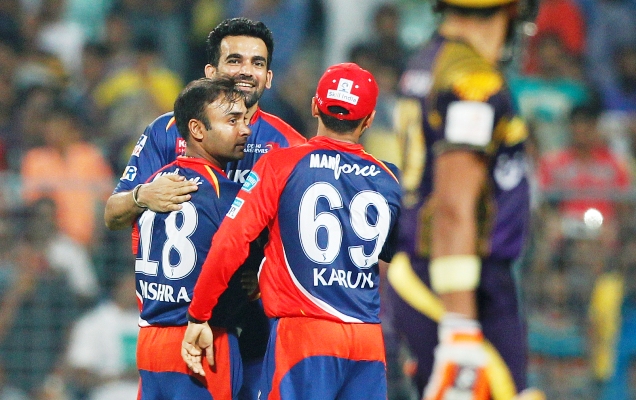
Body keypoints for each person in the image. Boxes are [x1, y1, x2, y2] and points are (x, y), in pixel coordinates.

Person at [102, 17, 306, 399]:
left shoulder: (289, 145)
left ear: (270, 77)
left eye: (257, 63)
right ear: (211, 71)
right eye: (235, 60)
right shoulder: (167, 130)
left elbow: (304, 238)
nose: (246, 70)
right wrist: (141, 196)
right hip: (186, 321)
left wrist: (261, 268)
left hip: (258, 324)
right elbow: (112, 214)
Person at [181, 63, 402, 400]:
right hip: (367, 340)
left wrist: (200, 313)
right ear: (369, 119)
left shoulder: (280, 165)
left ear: (315, 106)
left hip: (304, 333)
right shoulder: (391, 179)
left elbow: (231, 240)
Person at [384, 0, 545, 398]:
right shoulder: (473, 81)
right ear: (508, 10)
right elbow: (454, 204)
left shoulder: (430, 61)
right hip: (459, 280)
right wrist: (460, 330)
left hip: (432, 268)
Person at [136, 76, 252, 399]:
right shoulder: (227, 194)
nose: (245, 129)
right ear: (197, 130)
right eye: (232, 120)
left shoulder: (155, 184)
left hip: (150, 339)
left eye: (245, 119)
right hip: (200, 340)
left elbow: (136, 245)